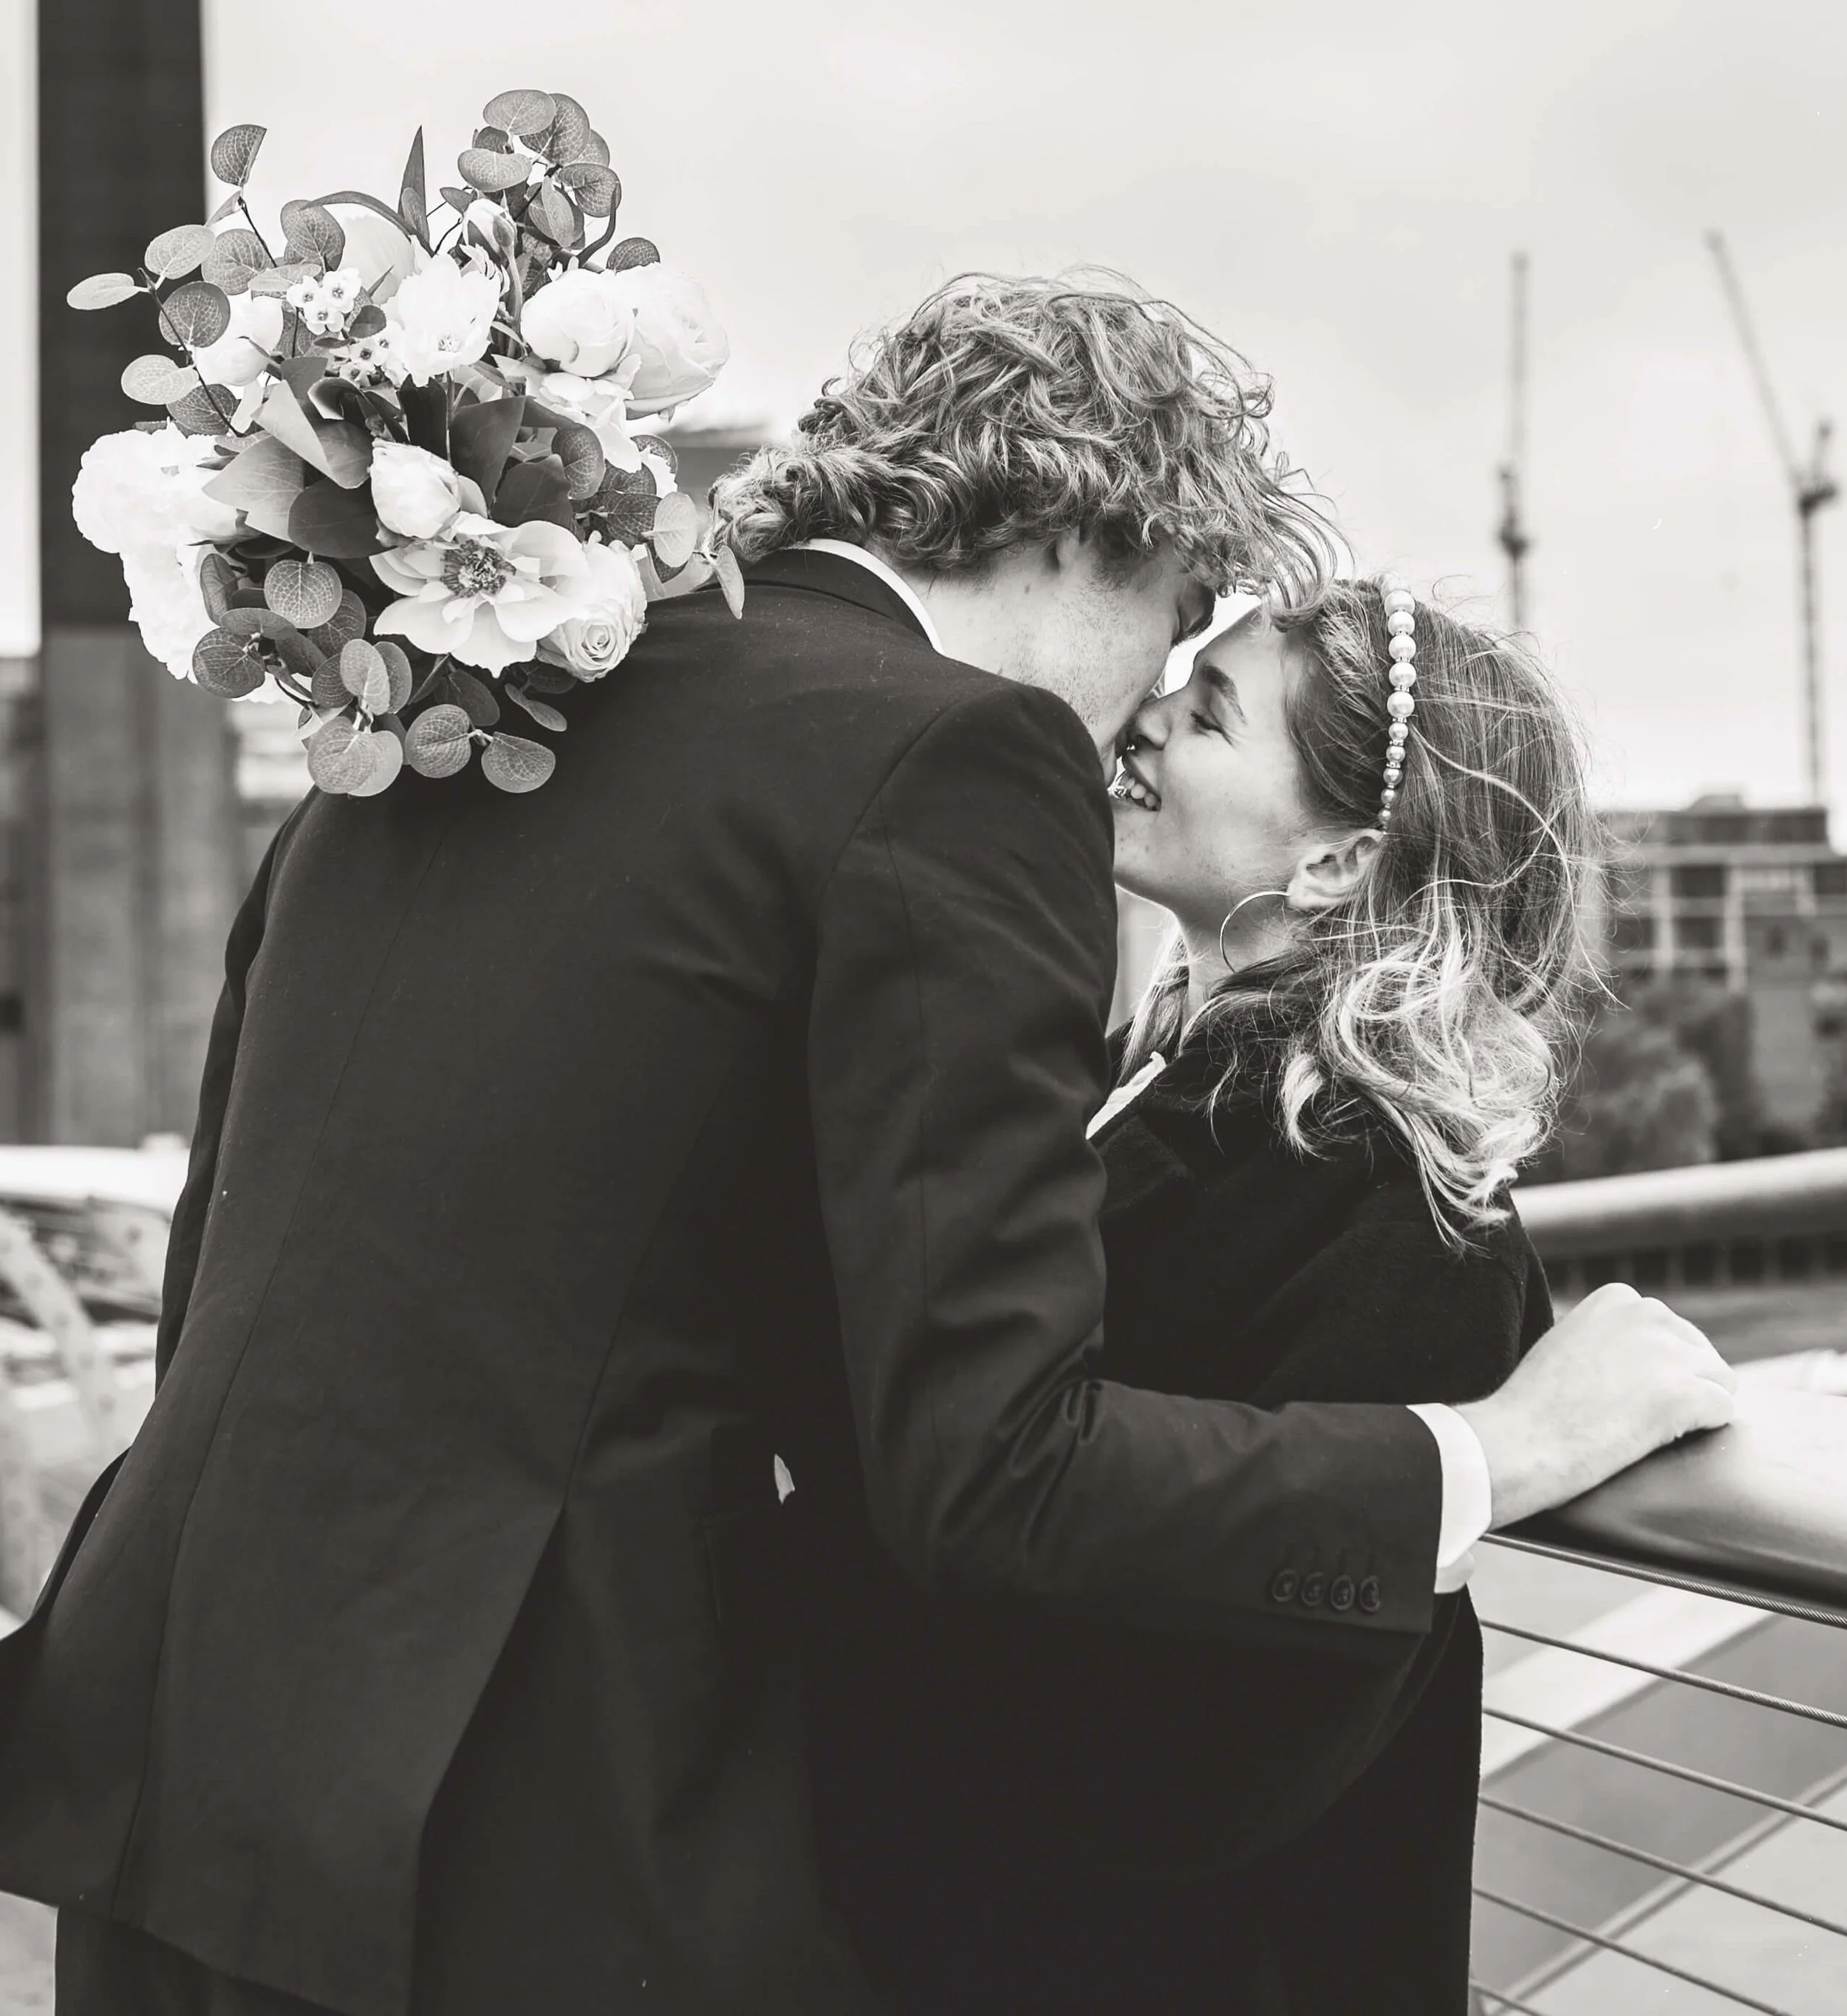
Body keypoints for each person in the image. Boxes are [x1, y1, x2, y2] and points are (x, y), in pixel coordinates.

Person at [0, 277, 1730, 2016]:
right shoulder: (946, 760)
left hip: (166, 1760)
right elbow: (987, 1461)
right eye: (1184, 613)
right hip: (509, 1843)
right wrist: (1494, 1456)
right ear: (1087, 531)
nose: (1143, 698)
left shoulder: (471, 692)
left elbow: (228, 1243)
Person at [796, 579, 1605, 2012]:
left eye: (1209, 708)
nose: (1145, 711)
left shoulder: (1406, 1204)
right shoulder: (1138, 1079)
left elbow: (1231, 1745)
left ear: (1336, 863)